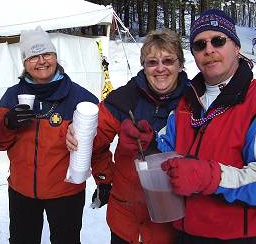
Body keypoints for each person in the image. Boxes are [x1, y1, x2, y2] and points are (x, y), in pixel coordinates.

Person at [153, 9, 256, 243]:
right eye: (200, 45)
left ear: (236, 47)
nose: (209, 50)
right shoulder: (186, 100)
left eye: (218, 41)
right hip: (183, 231)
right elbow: (167, 147)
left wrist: (212, 176)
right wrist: (144, 139)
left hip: (235, 237)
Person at [0, 26, 112, 244]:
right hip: (22, 191)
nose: (41, 61)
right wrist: (8, 124)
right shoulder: (12, 96)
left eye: (46, 54)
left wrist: (103, 178)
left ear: (55, 57)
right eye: (33, 56)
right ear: (25, 63)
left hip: (66, 191)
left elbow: (98, 144)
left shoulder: (81, 98)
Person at [67, 28, 188, 243]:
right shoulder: (125, 99)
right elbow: (94, 140)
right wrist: (105, 176)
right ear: (143, 66)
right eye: (152, 62)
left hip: (174, 223)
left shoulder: (195, 101)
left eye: (168, 60)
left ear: (180, 64)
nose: (160, 68)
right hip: (126, 219)